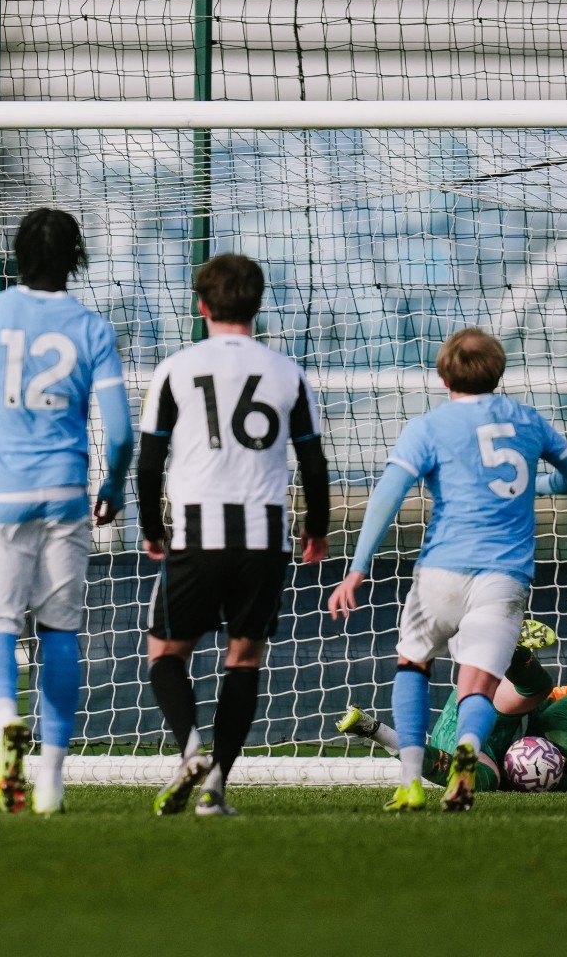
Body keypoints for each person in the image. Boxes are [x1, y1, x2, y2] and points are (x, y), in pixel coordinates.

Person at [328, 327, 567, 812]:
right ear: (498, 372)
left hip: (442, 572)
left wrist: (357, 567)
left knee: (413, 664)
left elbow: (389, 494)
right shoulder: (528, 420)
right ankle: (468, 750)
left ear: (443, 375)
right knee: (478, 684)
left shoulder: (429, 426)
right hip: (505, 578)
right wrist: (538, 488)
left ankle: (411, 781)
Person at [0, 208, 134, 815]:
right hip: (65, 494)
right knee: (60, 633)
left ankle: (4, 724)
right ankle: (51, 781)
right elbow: (121, 433)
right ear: (76, 258)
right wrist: (114, 484)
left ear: (17, 255)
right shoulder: (92, 328)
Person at [135, 253, 331, 817]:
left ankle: (190, 750)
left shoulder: (176, 368)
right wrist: (316, 529)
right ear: (258, 304)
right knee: (244, 658)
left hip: (199, 531)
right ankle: (215, 788)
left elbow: (149, 463)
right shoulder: (288, 373)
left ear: (202, 306)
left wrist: (151, 528)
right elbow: (313, 463)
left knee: (165, 652)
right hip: (264, 536)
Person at [339, 627, 567, 792]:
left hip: (477, 743)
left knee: (483, 781)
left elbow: (550, 781)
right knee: (539, 693)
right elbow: (554, 719)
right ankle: (508, 644)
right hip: (496, 707)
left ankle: (376, 731)